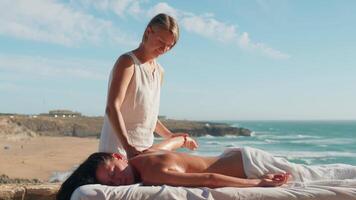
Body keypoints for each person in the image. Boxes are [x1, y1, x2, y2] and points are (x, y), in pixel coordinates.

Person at [99, 13, 197, 158]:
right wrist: (128, 147)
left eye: (169, 46)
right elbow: (112, 108)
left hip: (143, 151)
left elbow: (147, 115)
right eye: (160, 42)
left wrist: (168, 135)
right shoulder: (128, 62)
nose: (164, 49)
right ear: (148, 32)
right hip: (117, 151)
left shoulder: (159, 72)